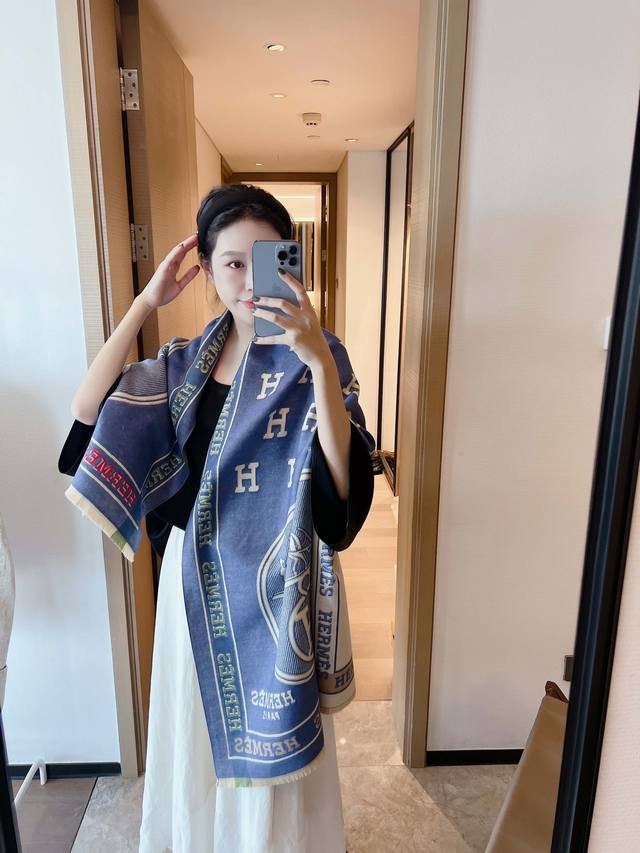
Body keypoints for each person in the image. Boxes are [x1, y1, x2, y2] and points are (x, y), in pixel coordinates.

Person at [58, 184, 375, 852]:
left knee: (277, 766)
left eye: (267, 260)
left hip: (278, 583)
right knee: (199, 745)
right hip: (196, 586)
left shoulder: (323, 355)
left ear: (291, 263)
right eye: (233, 263)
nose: (250, 280)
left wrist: (317, 358)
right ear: (204, 268)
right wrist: (146, 302)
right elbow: (86, 420)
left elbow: (343, 495)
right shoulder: (182, 367)